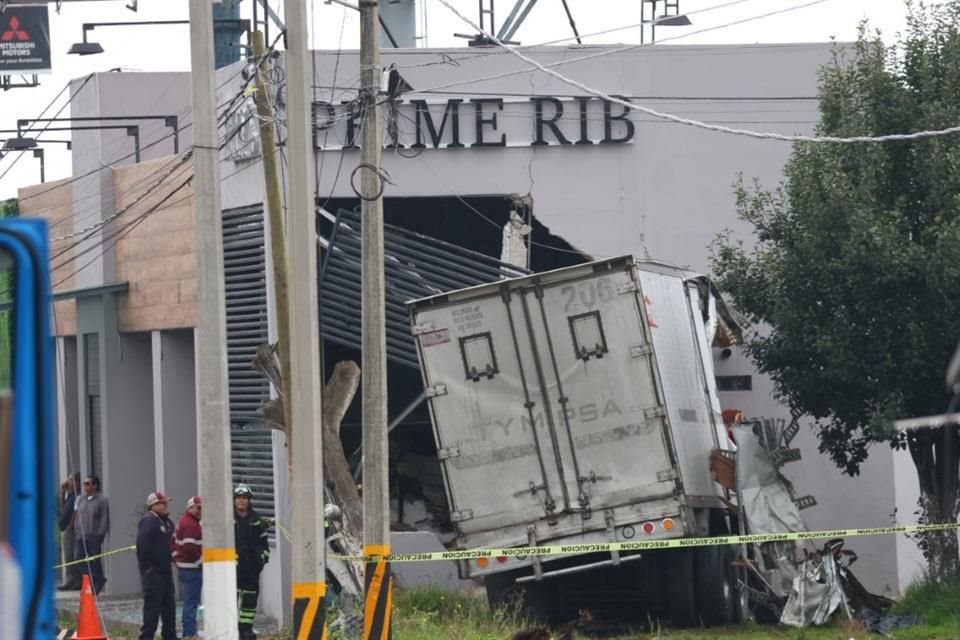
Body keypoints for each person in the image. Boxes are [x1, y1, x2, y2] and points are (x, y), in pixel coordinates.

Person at [136, 491, 177, 640]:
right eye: (162, 503)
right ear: (153, 505)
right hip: (154, 573)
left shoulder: (167, 522)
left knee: (169, 607)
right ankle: (146, 637)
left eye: (166, 503)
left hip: (165, 572)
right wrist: (148, 567)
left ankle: (170, 636)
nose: (166, 506)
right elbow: (142, 545)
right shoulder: (149, 521)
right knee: (152, 608)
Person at [234, 483, 270, 640]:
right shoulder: (228, 519)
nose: (241, 501)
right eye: (239, 498)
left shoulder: (256, 520)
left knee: (249, 601)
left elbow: (264, 543)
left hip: (251, 568)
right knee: (231, 599)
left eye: (244, 498)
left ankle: (246, 630)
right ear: (234, 500)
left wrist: (262, 559)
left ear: (249, 500)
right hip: (233, 568)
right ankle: (232, 629)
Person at [73, 474, 110, 594]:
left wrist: (101, 533)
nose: (85, 486)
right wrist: (76, 528)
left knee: (94, 560)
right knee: (78, 559)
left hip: (94, 535)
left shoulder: (101, 500)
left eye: (88, 484)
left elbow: (104, 517)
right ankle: (97, 578)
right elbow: (78, 515)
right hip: (81, 535)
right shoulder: (81, 499)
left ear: (95, 485)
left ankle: (96, 583)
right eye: (84, 484)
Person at [173, 496, 203, 640]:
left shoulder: (183, 521)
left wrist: (176, 559)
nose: (200, 511)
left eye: (201, 508)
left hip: (185, 567)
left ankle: (188, 632)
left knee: (189, 601)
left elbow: (173, 543)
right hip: (191, 569)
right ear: (190, 508)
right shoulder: (191, 524)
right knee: (191, 602)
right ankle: (190, 633)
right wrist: (200, 562)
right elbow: (190, 547)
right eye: (198, 508)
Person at [56, 473, 81, 590]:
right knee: (67, 556)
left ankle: (76, 580)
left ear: (76, 482)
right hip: (65, 528)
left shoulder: (78, 495)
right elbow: (63, 508)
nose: (68, 482)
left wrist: (70, 526)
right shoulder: (70, 496)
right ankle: (70, 579)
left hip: (71, 530)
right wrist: (62, 493)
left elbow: (76, 513)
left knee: (70, 556)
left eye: (71, 480)